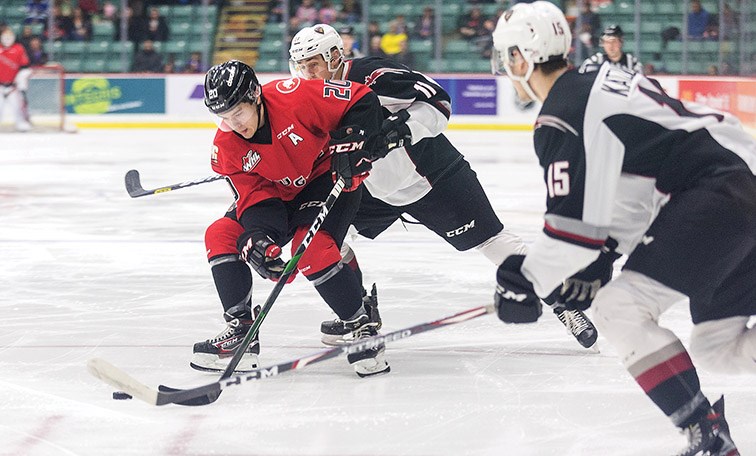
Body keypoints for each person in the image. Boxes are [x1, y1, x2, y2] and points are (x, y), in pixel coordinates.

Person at [491, 2, 754, 455]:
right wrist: (602, 257)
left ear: (522, 57)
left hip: (720, 192)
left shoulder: (562, 112)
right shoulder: (595, 85)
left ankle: (708, 438)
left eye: (506, 56)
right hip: (735, 185)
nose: (506, 67)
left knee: (618, 309)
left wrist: (525, 280)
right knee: (718, 346)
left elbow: (573, 230)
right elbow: (628, 193)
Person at [289, 23, 600, 349]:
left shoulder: (372, 74)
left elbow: (438, 101)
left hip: (433, 176)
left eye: (314, 63)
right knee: (325, 238)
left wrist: (399, 131)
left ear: (335, 56)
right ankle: (357, 313)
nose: (307, 73)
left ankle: (562, 302)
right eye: (302, 65)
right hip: (373, 189)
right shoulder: (311, 98)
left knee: (493, 241)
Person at [193, 59, 391, 378]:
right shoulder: (225, 146)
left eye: (238, 112)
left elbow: (361, 98)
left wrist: (355, 140)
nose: (234, 123)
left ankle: (361, 325)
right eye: (225, 117)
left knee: (310, 246)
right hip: (278, 193)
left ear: (255, 95)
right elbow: (254, 195)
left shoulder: (295, 96)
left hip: (326, 174)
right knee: (221, 234)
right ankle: (241, 331)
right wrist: (259, 237)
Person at [0, 29, 32, 132]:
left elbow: (25, 67)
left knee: (17, 107)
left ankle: (21, 123)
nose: (7, 40)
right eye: (5, 37)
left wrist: (20, 78)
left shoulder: (19, 49)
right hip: (0, 85)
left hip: (12, 86)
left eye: (9, 37)